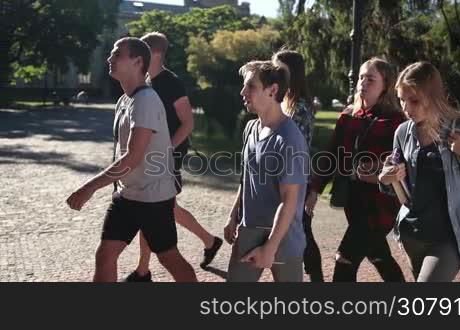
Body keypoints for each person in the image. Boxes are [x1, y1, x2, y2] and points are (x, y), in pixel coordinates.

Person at [66, 37, 197, 282]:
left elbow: (133, 156)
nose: (109, 59)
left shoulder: (146, 100)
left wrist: (89, 187)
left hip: (153, 198)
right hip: (127, 196)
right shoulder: (125, 100)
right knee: (105, 255)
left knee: (169, 258)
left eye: (117, 55)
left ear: (138, 62)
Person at [379, 61, 460, 281]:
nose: (406, 109)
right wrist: (387, 179)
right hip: (413, 233)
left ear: (433, 97)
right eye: (402, 100)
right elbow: (398, 189)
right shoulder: (402, 132)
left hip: (450, 238)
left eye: (414, 100)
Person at [124, 32, 222, 282]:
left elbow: (188, 123)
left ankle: (143, 271)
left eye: (142, 50)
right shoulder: (145, 82)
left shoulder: (171, 83)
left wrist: (164, 150)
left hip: (166, 159)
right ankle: (209, 241)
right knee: (165, 209)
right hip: (150, 159)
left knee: (152, 209)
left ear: (155, 53)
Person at [306, 57, 406, 282]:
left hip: (381, 206)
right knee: (379, 256)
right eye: (361, 77)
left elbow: (405, 162)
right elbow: (330, 156)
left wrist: (379, 166)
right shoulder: (349, 115)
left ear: (386, 85)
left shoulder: (395, 121)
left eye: (371, 79)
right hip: (354, 202)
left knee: (344, 260)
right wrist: (314, 191)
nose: (363, 82)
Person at [224, 60, 309, 282]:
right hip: (249, 230)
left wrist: (270, 248)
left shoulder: (289, 139)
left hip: (283, 238)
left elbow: (289, 200)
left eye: (250, 86)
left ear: (272, 91)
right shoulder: (251, 128)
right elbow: (247, 178)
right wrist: (233, 216)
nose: (243, 92)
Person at [272, 49, 323, 282]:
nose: (274, 73)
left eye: (279, 69)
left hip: (295, 177)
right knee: (300, 228)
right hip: (284, 176)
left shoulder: (299, 106)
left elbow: (294, 148)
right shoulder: (284, 102)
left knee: (301, 229)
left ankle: (314, 277)